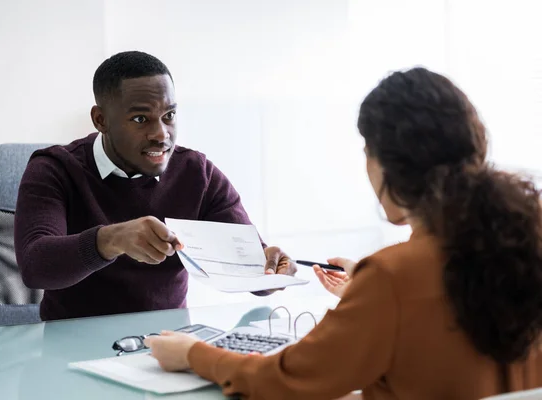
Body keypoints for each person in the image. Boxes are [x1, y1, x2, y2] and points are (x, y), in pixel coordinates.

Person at [145, 67, 542, 399]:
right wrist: (366, 295)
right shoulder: (522, 241)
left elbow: (288, 379)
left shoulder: (393, 277)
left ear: (387, 165)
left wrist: (194, 354)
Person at [14, 51, 296, 322]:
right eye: (140, 119)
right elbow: (35, 265)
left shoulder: (198, 174)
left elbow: (253, 270)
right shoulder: (55, 169)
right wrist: (112, 240)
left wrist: (271, 270)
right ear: (101, 120)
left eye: (169, 116)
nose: (162, 135)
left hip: (167, 346)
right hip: (70, 350)